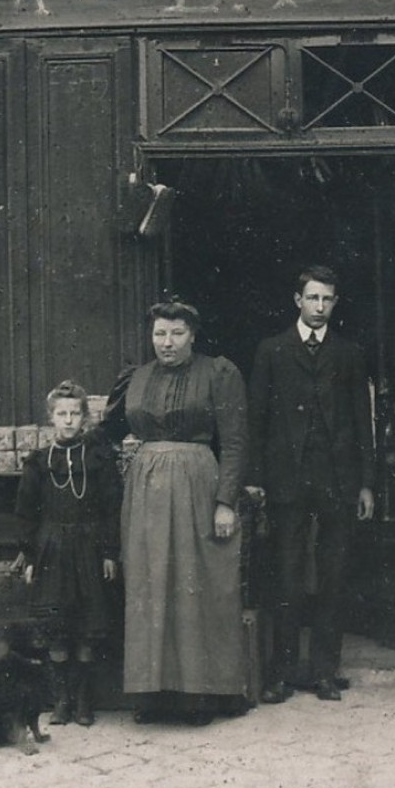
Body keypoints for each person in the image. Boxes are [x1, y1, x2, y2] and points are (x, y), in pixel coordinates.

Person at [100, 301, 249, 726]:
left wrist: (226, 501)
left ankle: (200, 694)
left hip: (198, 487)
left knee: (198, 583)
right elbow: (107, 435)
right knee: (149, 584)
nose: (167, 342)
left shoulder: (218, 373)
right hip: (145, 493)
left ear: (193, 335)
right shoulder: (136, 377)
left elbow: (236, 442)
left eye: (177, 333)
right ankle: (152, 693)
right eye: (160, 334)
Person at [246, 266, 375, 704]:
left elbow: (363, 423)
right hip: (287, 481)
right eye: (313, 298)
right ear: (297, 300)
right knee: (287, 575)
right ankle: (281, 672)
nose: (320, 307)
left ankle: (324, 669)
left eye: (328, 300)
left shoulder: (349, 353)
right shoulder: (272, 350)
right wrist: (256, 480)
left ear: (335, 303)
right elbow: (256, 419)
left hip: (338, 480)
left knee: (334, 576)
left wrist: (366, 485)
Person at [11, 380, 122, 728]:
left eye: (75, 414)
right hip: (52, 550)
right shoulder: (39, 463)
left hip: (89, 548)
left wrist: (109, 553)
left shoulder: (99, 460)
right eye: (62, 414)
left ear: (85, 418)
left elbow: (111, 510)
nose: (69, 420)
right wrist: (28, 556)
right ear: (51, 419)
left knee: (87, 626)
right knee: (57, 628)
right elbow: (26, 513)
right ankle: (61, 701)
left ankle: (85, 701)